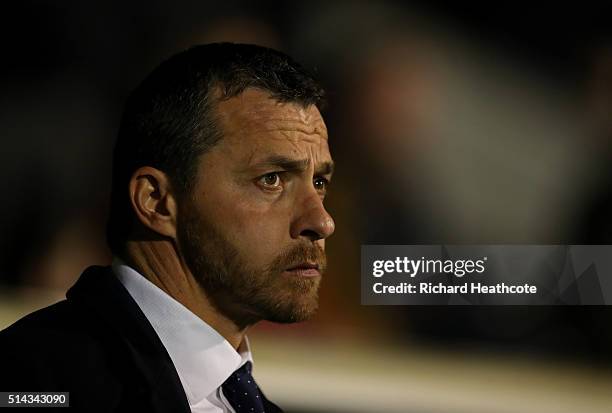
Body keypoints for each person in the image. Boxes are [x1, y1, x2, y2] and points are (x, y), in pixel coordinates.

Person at [0, 43, 335, 413]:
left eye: (319, 182)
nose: (321, 221)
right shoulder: (30, 382)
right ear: (156, 201)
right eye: (271, 179)